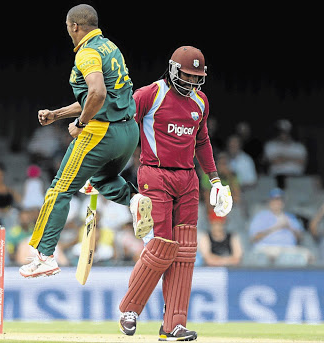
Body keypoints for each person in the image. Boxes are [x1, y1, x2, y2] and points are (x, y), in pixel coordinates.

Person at [19, 4, 153, 278]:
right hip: (127, 133)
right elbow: (95, 98)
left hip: (101, 133)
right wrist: (57, 114)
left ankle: (44, 256)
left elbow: (97, 94)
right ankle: (135, 200)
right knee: (102, 180)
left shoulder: (87, 53)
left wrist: (80, 125)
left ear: (74, 27)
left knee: (59, 190)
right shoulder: (110, 47)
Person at [117, 46, 233, 341]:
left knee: (185, 252)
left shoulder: (201, 101)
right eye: (186, 76)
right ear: (171, 69)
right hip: (154, 174)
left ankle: (174, 325)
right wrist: (107, 170)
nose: (191, 83)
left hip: (188, 179)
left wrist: (216, 180)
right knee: (161, 247)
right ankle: (130, 309)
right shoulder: (149, 95)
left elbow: (203, 141)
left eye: (197, 78)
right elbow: (124, 132)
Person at [248, 188, 308, 263]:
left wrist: (290, 227)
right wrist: (276, 227)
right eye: (275, 200)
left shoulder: (290, 217)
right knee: (264, 256)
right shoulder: (261, 217)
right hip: (267, 248)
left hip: (288, 249)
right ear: (270, 202)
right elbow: (253, 238)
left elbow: (300, 238)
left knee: (307, 255)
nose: (278, 202)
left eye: (280, 200)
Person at [263, 119, 307, 189]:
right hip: (277, 179)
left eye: (286, 132)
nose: (283, 135)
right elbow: (275, 161)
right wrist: (294, 158)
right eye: (281, 132)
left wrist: (282, 157)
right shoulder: (270, 146)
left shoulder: (299, 147)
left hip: (296, 177)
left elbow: (302, 162)